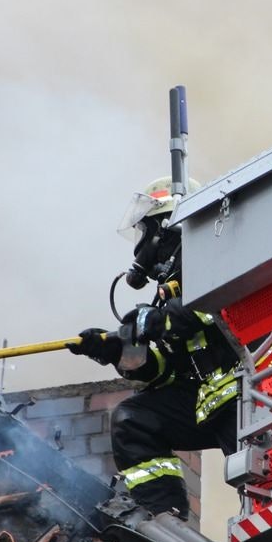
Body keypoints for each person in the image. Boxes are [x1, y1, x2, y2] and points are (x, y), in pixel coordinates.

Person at [67, 177, 241, 519]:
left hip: (249, 393)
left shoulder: (223, 254)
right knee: (133, 420)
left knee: (267, 483)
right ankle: (165, 517)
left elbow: (223, 305)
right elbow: (167, 366)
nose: (141, 244)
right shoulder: (169, 294)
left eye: (144, 231)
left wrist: (164, 319)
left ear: (165, 227)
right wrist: (117, 350)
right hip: (208, 401)